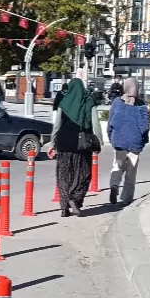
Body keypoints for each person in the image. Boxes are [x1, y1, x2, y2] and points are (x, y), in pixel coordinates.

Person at [45, 79, 98, 217]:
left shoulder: (64, 102)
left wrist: (52, 143)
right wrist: (99, 142)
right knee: (83, 174)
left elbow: (57, 126)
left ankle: (64, 207)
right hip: (82, 145)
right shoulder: (89, 101)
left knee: (63, 176)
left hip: (63, 144)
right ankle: (75, 199)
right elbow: (95, 123)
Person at [106, 77, 150, 205]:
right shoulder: (142, 105)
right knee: (131, 172)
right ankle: (127, 198)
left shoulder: (117, 102)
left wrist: (111, 137)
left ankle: (114, 185)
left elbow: (111, 122)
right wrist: (143, 141)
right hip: (135, 142)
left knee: (117, 166)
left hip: (119, 141)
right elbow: (145, 126)